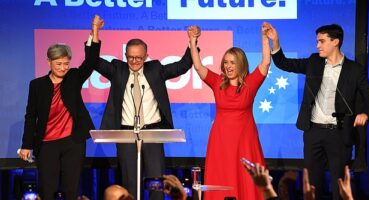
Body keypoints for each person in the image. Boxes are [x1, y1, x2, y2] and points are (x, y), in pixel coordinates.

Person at [265, 23, 369, 199]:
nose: (317, 45)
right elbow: (283, 63)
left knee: (340, 187)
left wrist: (365, 114)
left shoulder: (354, 70)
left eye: (322, 41)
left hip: (339, 134)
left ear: (336, 42)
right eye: (317, 41)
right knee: (312, 186)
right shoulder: (314, 62)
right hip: (313, 133)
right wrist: (275, 41)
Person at [90, 27, 198, 200]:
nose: (134, 61)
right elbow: (93, 60)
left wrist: (192, 42)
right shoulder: (117, 69)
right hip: (126, 134)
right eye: (130, 57)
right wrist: (95, 32)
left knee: (157, 184)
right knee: (129, 182)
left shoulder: (155, 69)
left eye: (139, 57)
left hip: (152, 133)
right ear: (125, 55)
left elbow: (182, 66)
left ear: (146, 56)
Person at [18, 15, 103, 200]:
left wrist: (95, 30)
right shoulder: (37, 85)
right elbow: (30, 116)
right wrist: (26, 145)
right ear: (49, 62)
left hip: (73, 142)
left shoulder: (73, 77)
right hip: (47, 144)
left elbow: (91, 61)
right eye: (58, 64)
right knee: (47, 190)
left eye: (66, 63)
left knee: (71, 190)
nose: (63, 68)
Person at [188, 22, 271, 199]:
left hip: (245, 141)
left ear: (241, 64)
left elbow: (265, 63)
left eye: (232, 62)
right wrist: (192, 42)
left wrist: (265, 39)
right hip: (221, 141)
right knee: (222, 176)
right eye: (225, 62)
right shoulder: (217, 82)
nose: (228, 66)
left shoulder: (250, 84)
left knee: (245, 180)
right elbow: (198, 66)